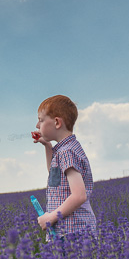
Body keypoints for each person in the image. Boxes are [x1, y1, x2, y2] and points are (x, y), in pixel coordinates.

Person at [32, 95, 96, 241]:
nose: (37, 125)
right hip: (66, 231)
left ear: (56, 122)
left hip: (73, 232)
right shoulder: (64, 150)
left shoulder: (67, 152)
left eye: (41, 120)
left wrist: (51, 217)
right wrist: (48, 147)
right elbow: (54, 175)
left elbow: (79, 195)